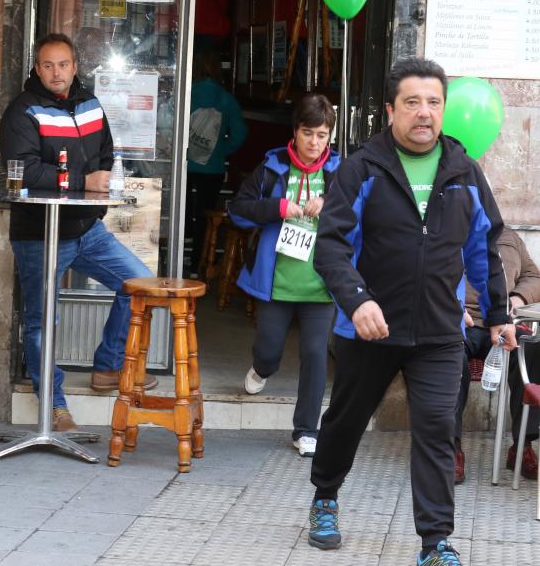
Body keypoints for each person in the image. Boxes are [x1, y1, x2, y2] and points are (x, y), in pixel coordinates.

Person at [305, 57, 516, 566]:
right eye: (413, 102)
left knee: (438, 430)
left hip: (440, 333)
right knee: (346, 420)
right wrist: (357, 302)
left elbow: (486, 248)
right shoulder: (362, 170)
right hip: (369, 330)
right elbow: (329, 248)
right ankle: (325, 497)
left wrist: (498, 315)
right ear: (390, 110)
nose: (425, 113)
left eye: (434, 103)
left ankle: (434, 542)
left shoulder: (465, 172)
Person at [0, 33, 153, 431]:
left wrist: (97, 187)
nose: (56, 72)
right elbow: (24, 170)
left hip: (86, 229)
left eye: (63, 64)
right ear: (37, 68)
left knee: (140, 284)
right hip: (40, 234)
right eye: (48, 65)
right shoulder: (23, 111)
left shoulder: (89, 104)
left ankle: (109, 367)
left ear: (75, 67)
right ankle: (55, 406)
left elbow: (106, 154)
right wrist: (84, 179)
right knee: (41, 321)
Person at [228, 94, 339, 457]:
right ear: (295, 132)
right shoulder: (272, 166)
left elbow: (361, 218)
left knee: (315, 355)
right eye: (308, 133)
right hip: (275, 283)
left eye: (322, 135)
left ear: (330, 137)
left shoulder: (340, 173)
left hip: (321, 286)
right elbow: (239, 210)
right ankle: (261, 370)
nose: (314, 142)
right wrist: (277, 208)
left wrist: (331, 205)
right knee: (269, 351)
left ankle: (306, 428)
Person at [455, 227, 540, 482]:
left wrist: (518, 297)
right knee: (446, 358)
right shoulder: (446, 231)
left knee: (533, 351)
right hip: (463, 322)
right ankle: (449, 448)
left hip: (506, 323)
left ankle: (523, 444)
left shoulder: (509, 238)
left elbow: (533, 276)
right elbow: (424, 277)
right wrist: (450, 305)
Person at [186, 49, 247, 274]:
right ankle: (196, 264)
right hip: (212, 168)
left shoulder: (187, 92)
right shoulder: (226, 99)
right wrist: (221, 151)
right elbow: (240, 133)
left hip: (185, 165)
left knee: (182, 210)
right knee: (205, 214)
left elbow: (167, 123)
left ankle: (176, 256)